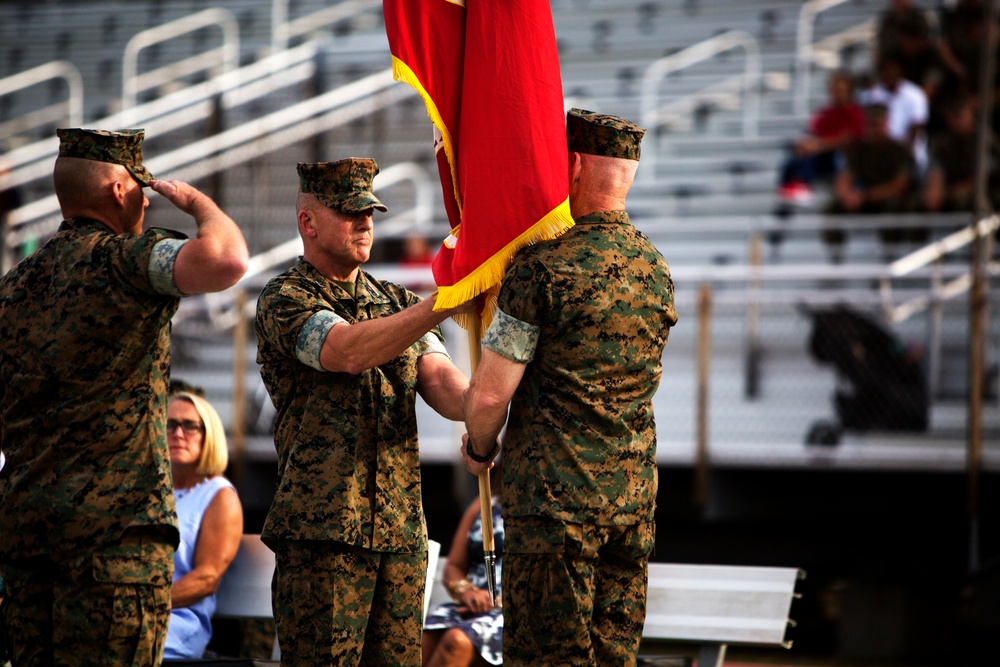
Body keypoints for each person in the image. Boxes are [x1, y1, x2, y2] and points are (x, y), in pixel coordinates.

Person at [0, 128, 248, 666]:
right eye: (141, 184)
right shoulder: (124, 262)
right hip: (114, 548)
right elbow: (227, 259)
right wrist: (197, 201)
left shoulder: (16, 285)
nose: (145, 195)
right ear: (119, 190)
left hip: (26, 539)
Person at [461, 109, 678, 666]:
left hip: (555, 513)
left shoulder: (542, 269)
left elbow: (488, 397)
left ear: (574, 165)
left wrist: (480, 448)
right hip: (631, 507)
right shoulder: (654, 267)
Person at [254, 158, 472, 666]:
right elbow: (347, 351)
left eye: (370, 212)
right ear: (308, 223)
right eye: (351, 213)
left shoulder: (396, 301)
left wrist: (485, 401)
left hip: (399, 535)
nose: (366, 223)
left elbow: (443, 387)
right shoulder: (285, 297)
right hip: (324, 534)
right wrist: (444, 302)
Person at [163, 390, 244, 660]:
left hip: (173, 628)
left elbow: (206, 579)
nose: (177, 433)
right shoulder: (147, 491)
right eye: (169, 424)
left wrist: (146, 605)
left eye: (189, 426)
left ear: (209, 435)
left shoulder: (218, 494)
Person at [422, 465, 504, 667]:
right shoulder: (486, 503)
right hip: (470, 606)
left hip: (513, 614)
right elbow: (454, 566)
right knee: (418, 639)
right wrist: (467, 593)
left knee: (455, 641)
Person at [825, 103, 919, 261]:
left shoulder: (901, 150)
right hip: (863, 199)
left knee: (893, 208)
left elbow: (899, 186)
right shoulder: (859, 149)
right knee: (831, 207)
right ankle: (836, 257)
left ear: (887, 123)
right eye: (870, 124)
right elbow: (844, 176)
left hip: (888, 200)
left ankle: (890, 258)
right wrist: (846, 195)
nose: (873, 129)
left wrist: (865, 195)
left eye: (877, 124)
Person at [777, 71, 865, 205]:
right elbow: (813, 134)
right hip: (822, 155)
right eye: (834, 90)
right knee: (793, 159)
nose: (837, 93)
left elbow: (848, 139)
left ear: (849, 91)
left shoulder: (856, 112)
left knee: (826, 155)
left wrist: (819, 146)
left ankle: (805, 183)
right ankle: (790, 191)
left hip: (845, 157)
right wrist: (805, 145)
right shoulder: (824, 113)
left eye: (841, 90)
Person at [859, 54, 930, 173]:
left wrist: (899, 153)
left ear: (900, 71)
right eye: (886, 70)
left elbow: (917, 129)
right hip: (879, 152)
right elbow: (868, 128)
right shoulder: (871, 95)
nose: (889, 74)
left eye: (893, 70)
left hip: (908, 154)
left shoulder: (915, 94)